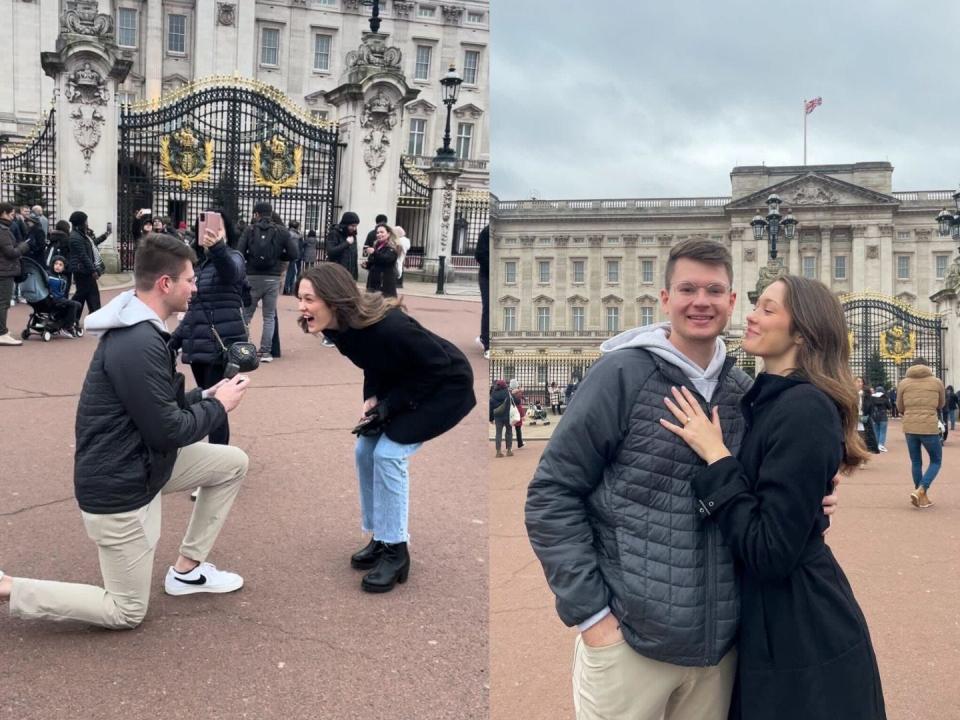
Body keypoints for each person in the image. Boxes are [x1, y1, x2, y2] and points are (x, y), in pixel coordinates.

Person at [525, 239, 839, 720]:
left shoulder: (744, 392)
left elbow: (762, 496)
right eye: (688, 289)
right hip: (631, 641)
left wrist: (812, 502)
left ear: (732, 302)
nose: (701, 301)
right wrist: (592, 616)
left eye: (715, 290)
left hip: (722, 649)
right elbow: (552, 494)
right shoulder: (619, 376)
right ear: (665, 299)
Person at [658, 275, 885, 720]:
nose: (751, 315)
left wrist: (718, 457)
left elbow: (769, 551)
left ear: (801, 331)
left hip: (800, 626)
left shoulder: (802, 409)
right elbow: (746, 507)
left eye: (767, 308)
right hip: (774, 616)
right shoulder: (770, 401)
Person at [0, 233, 251, 629]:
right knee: (127, 611)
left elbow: (156, 408)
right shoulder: (138, 341)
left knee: (232, 463)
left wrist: (205, 393)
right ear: (165, 284)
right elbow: (168, 430)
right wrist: (218, 407)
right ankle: (9, 586)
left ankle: (187, 571)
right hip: (120, 486)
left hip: (140, 464)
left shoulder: (140, 328)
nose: (195, 287)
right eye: (189, 279)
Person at [296, 263, 476, 593]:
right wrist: (372, 398)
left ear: (334, 300)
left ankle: (396, 552)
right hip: (408, 385)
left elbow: (439, 367)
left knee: (389, 455)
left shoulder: (391, 327)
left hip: (447, 388)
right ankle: (380, 535)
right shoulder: (340, 330)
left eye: (308, 299)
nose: (302, 307)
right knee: (365, 449)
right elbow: (373, 362)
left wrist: (390, 406)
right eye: (299, 298)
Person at [169, 217, 247, 446]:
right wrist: (174, 340)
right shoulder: (199, 266)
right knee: (207, 399)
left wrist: (217, 247)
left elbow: (231, 273)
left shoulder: (233, 257)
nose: (211, 232)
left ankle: (219, 454)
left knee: (217, 405)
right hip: (198, 344)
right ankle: (214, 452)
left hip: (220, 345)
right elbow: (194, 309)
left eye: (218, 227)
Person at [236, 201, 298, 363]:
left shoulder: (249, 230)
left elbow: (239, 253)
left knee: (246, 314)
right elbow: (294, 254)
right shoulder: (282, 231)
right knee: (269, 316)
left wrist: (251, 260)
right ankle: (265, 352)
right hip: (273, 277)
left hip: (252, 276)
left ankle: (243, 350)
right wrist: (278, 257)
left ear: (256, 214)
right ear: (271, 213)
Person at [897, 358, 945, 509]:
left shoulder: (904, 383)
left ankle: (920, 495)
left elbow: (899, 406)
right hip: (929, 426)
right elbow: (941, 404)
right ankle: (922, 489)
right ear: (927, 366)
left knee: (916, 462)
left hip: (910, 426)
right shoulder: (936, 382)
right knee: (936, 460)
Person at [0, 202, 30, 346]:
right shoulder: (3, 231)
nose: (13, 217)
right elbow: (10, 253)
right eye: (11, 214)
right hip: (4, 271)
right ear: (4, 213)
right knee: (3, 303)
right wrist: (23, 247)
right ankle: (2, 333)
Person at [68, 211, 102, 319]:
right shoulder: (75, 237)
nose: (87, 223)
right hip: (82, 270)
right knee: (83, 295)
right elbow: (83, 256)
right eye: (86, 221)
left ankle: (93, 315)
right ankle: (70, 315)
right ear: (81, 223)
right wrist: (93, 270)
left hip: (84, 270)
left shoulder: (81, 235)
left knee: (89, 294)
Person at [47, 255, 83, 336]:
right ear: (52, 265)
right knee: (74, 305)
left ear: (63, 267)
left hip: (60, 299)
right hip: (52, 300)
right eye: (56, 264)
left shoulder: (64, 278)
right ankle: (67, 327)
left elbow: (63, 292)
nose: (58, 266)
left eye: (60, 265)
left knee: (78, 304)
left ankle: (62, 323)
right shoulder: (48, 275)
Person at [363, 223, 399, 298]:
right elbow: (376, 262)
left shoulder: (392, 247)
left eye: (382, 232)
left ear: (388, 234)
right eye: (377, 232)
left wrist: (374, 252)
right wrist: (367, 265)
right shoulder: (377, 246)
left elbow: (386, 259)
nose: (379, 234)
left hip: (384, 283)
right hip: (373, 282)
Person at [326, 211, 360, 280]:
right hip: (336, 274)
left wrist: (355, 276)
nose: (354, 228)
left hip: (349, 275)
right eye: (352, 226)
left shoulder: (353, 235)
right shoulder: (334, 233)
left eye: (356, 226)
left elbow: (354, 256)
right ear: (345, 224)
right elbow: (331, 252)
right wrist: (346, 243)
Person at [475, 224, 489, 359]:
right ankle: (487, 344)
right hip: (487, 276)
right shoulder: (486, 232)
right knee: (489, 308)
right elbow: (479, 255)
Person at [490, 379, 514, 457]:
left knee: (498, 433)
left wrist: (491, 418)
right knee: (509, 432)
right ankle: (509, 450)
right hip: (507, 416)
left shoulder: (493, 393)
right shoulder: (507, 393)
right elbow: (511, 404)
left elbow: (491, 407)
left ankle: (498, 451)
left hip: (497, 417)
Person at [856, 376, 880, 454]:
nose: (860, 383)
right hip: (852, 419)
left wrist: (867, 416)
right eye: (858, 381)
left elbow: (870, 408)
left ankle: (862, 456)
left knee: (862, 438)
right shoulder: (850, 393)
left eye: (861, 382)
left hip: (862, 418)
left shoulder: (866, 395)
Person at [283, 220, 303, 295]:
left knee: (290, 272)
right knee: (292, 273)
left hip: (288, 255)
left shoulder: (288, 233)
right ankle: (289, 289)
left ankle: (288, 288)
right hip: (293, 255)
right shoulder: (295, 235)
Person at [869, 385, 892, 452]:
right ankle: (881, 445)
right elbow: (889, 407)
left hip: (874, 416)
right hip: (883, 416)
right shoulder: (885, 397)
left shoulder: (872, 398)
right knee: (883, 432)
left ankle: (876, 444)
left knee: (876, 431)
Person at [510, 379, 526, 449]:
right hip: (517, 411)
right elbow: (520, 402)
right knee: (518, 429)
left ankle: (509, 445)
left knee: (509, 429)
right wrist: (522, 415)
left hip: (510, 410)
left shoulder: (509, 392)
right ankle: (520, 443)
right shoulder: (519, 392)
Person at [394, 225, 410, 289]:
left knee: (397, 266)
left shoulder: (399, 240)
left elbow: (398, 248)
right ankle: (399, 283)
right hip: (403, 255)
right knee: (400, 266)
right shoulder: (406, 240)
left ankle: (397, 282)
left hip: (398, 255)